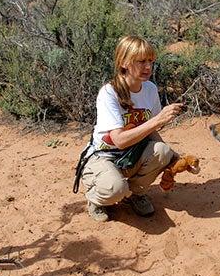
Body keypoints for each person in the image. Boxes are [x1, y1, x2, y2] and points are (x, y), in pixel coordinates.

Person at [75, 35, 184, 222]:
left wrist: (173, 159)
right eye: (141, 61)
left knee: (163, 151)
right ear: (124, 63)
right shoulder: (109, 92)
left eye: (150, 61)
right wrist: (157, 120)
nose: (148, 67)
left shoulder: (149, 89)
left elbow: (149, 131)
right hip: (105, 154)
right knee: (115, 189)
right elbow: (119, 140)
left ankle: (136, 193)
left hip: (133, 153)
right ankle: (96, 199)